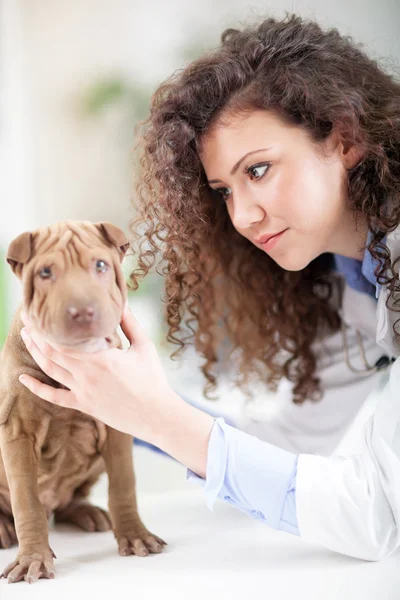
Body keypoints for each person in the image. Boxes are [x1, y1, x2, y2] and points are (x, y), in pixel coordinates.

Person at [18, 14, 400, 561]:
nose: (242, 216)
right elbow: (295, 444)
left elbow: (377, 516)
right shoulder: (349, 278)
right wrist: (130, 402)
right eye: (223, 190)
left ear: (345, 138)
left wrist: (153, 415)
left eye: (260, 169)